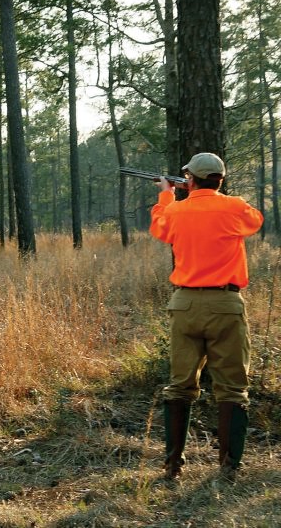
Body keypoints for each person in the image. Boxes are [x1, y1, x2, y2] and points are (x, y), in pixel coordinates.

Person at [149, 152, 263, 480]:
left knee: (179, 386)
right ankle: (228, 469)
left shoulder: (175, 209)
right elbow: (255, 220)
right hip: (226, 305)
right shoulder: (234, 207)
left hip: (184, 304)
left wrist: (167, 193)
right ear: (221, 179)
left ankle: (172, 467)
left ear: (190, 180)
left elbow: (160, 228)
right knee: (232, 389)